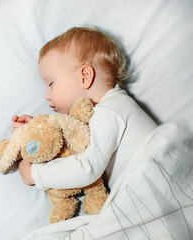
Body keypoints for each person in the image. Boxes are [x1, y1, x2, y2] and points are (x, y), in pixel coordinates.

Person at [12, 27, 157, 192]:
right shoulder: (105, 112)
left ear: (85, 77)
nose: (47, 96)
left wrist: (33, 174)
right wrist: (38, 131)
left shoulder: (111, 110)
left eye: (51, 84)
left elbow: (86, 168)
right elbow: (79, 145)